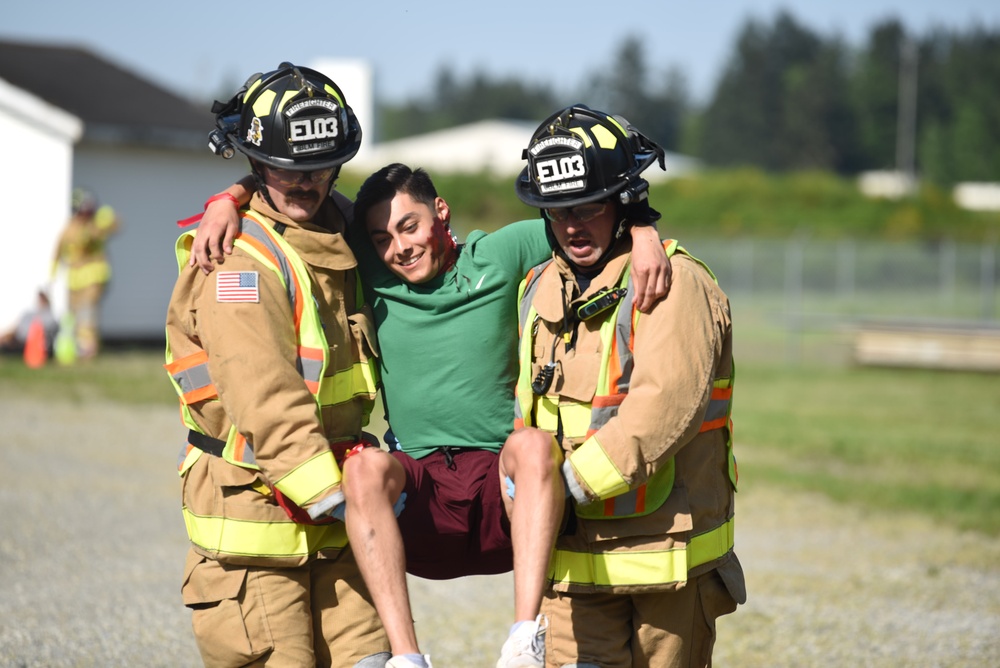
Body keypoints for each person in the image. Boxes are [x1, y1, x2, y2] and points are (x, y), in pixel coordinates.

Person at [192, 163, 670, 666]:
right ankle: (406, 658)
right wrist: (227, 199)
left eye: (409, 226)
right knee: (362, 466)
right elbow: (302, 191)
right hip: (420, 498)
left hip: (500, 492)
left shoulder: (503, 253)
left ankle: (524, 640)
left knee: (533, 446)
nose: (399, 246)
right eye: (381, 236)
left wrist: (643, 230)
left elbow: (584, 219)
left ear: (440, 212)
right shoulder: (372, 268)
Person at [163, 63, 390, 668]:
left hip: (334, 513)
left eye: (318, 166)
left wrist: (640, 230)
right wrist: (342, 498)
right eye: (287, 168)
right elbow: (264, 396)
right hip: (258, 519)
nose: (305, 183)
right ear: (257, 163)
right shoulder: (237, 263)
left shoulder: (337, 232)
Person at [507, 104, 746, 668]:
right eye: (557, 209)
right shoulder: (536, 291)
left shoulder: (672, 281)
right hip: (569, 569)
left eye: (588, 206)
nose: (572, 224)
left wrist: (560, 489)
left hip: (663, 563)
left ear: (622, 201)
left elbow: (663, 407)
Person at [51, 187, 119, 360]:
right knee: (72, 317)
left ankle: (89, 351)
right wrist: (52, 272)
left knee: (87, 315)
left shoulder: (96, 223)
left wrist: (104, 221)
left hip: (94, 278)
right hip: (74, 281)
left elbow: (112, 225)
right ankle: (73, 349)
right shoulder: (70, 227)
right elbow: (59, 249)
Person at [0, 290, 58, 357]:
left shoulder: (50, 318)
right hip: (19, 338)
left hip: (30, 344)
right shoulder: (31, 313)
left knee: (6, 348)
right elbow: (17, 327)